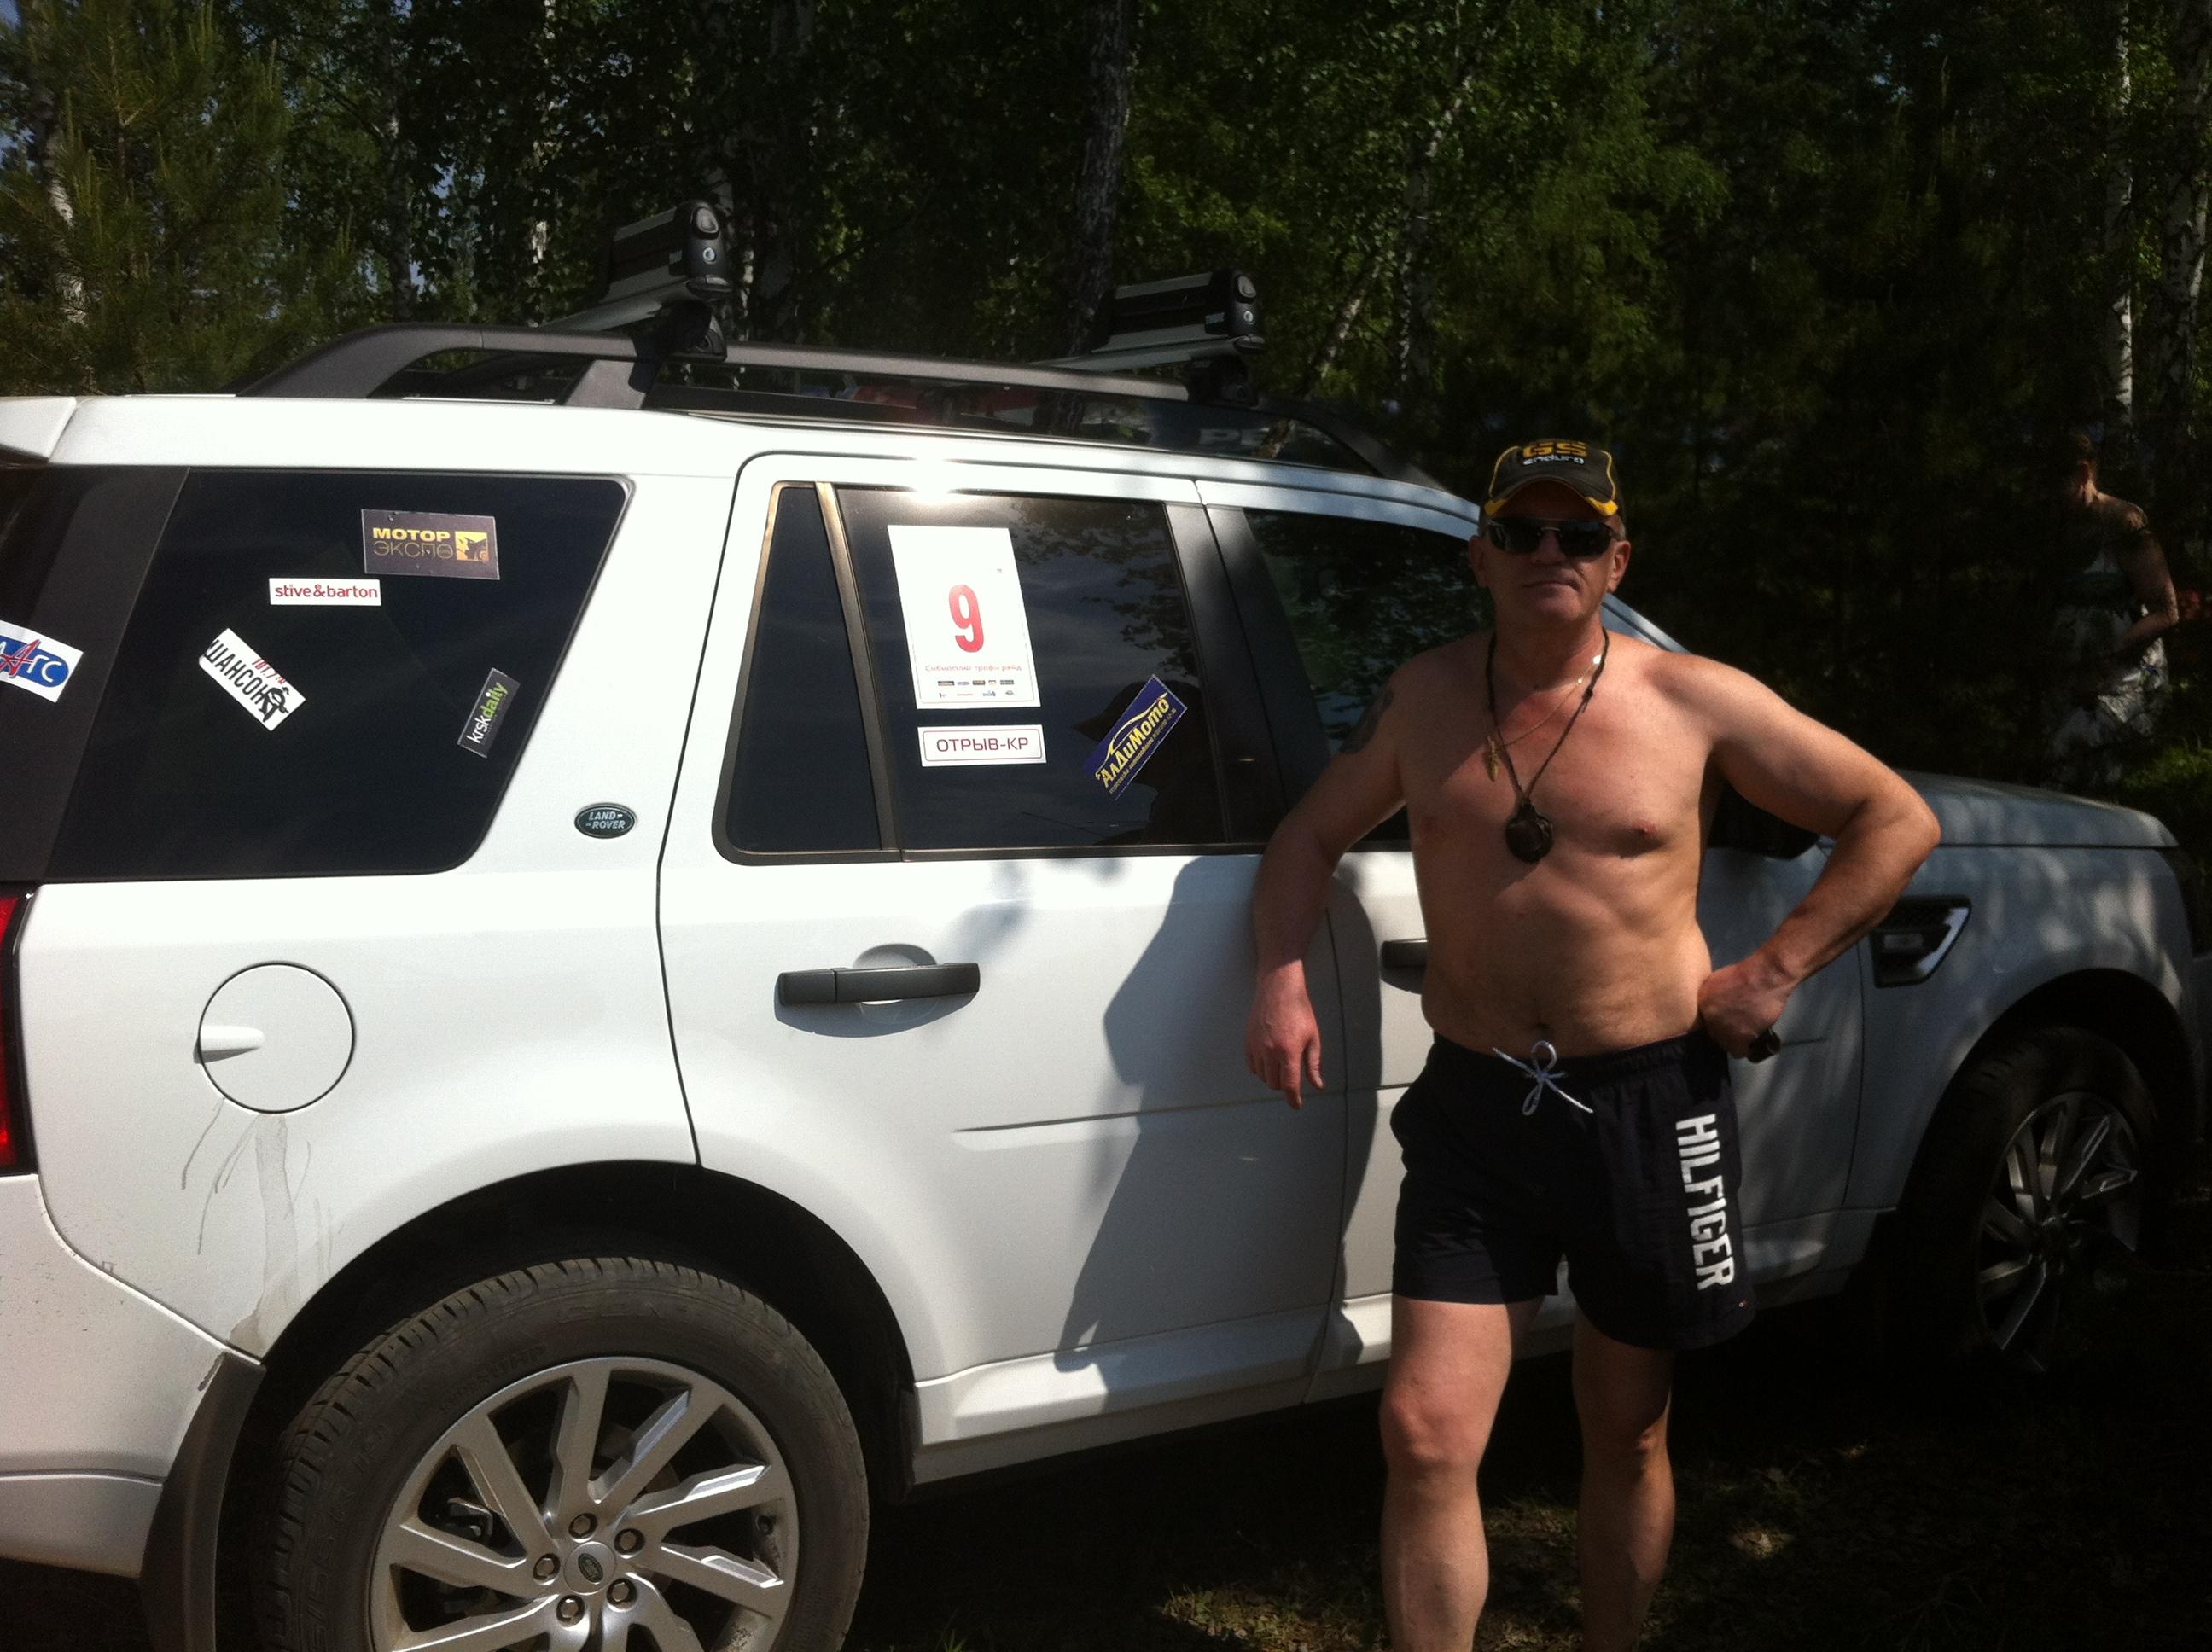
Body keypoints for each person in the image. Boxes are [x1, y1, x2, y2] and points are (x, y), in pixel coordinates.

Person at [1242, 439, 1941, 1652]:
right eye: (1521, 531)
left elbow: (1895, 816)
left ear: (1619, 559)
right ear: (1481, 556)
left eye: (1579, 534)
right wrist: (1280, 975)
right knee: (1423, 1433)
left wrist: (1772, 971)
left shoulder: (1693, 700)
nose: (1548, 553)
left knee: (1626, 1429)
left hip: (1647, 1104)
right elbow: (1306, 837)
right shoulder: (1425, 698)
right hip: (1477, 1106)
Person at [2047, 431, 2179, 790]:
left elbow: (2166, 611)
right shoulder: (2058, 530)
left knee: (2094, 777)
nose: (2051, 495)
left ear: (2084, 473)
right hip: (2070, 688)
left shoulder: (2124, 522)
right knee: (2058, 779)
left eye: (2058, 483)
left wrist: (2104, 665)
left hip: (2122, 686)